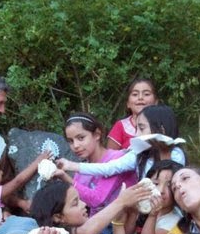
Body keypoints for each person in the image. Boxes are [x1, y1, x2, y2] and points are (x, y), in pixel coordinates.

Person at [56, 104, 186, 180]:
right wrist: (71, 166)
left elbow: (169, 184)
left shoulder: (176, 154)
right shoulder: (138, 155)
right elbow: (109, 168)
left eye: (141, 128)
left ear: (161, 130)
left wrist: (164, 153)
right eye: (136, 129)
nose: (136, 135)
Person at [54, 112, 137, 218]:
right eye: (70, 141)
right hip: (96, 224)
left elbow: (97, 200)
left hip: (123, 224)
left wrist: (65, 178)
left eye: (81, 138)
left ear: (97, 134)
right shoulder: (80, 171)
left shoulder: (117, 160)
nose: (75, 145)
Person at [0, 151, 51, 234]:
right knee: (26, 225)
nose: (2, 172)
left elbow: (6, 199)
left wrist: (20, 203)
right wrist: (38, 161)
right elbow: (18, 181)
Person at [107, 77, 159, 150]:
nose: (140, 97)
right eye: (135, 94)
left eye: (146, 94)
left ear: (156, 102)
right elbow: (110, 155)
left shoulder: (162, 124)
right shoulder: (120, 126)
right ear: (128, 103)